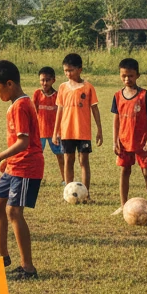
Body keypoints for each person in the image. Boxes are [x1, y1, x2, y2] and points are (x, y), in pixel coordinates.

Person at [0, 60, 43, 280]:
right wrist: (7, 162)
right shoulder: (16, 104)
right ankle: (2, 257)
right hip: (15, 165)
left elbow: (24, 142)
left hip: (27, 165)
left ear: (10, 84)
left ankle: (28, 268)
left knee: (14, 212)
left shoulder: (20, 106)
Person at [110, 57, 147, 218]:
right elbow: (116, 119)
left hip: (142, 142)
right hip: (124, 142)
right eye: (124, 76)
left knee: (146, 172)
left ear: (137, 75)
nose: (127, 79)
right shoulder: (117, 96)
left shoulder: (145, 95)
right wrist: (115, 140)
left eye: (130, 76)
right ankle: (123, 205)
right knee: (125, 171)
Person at [52, 52, 102, 197]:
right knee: (68, 160)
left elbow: (94, 108)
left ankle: (85, 193)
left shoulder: (88, 87)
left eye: (71, 70)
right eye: (65, 71)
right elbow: (59, 110)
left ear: (80, 69)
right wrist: (55, 132)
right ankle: (68, 192)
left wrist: (99, 129)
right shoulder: (62, 88)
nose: (68, 73)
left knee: (84, 161)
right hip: (67, 131)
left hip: (83, 132)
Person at [33, 67, 64, 181]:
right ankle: (35, 178)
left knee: (60, 156)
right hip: (39, 132)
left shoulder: (57, 95)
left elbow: (61, 114)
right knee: (36, 157)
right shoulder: (37, 94)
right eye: (42, 80)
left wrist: (60, 131)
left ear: (53, 80)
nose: (44, 83)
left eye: (47, 80)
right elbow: (33, 111)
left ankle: (65, 179)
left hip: (54, 133)